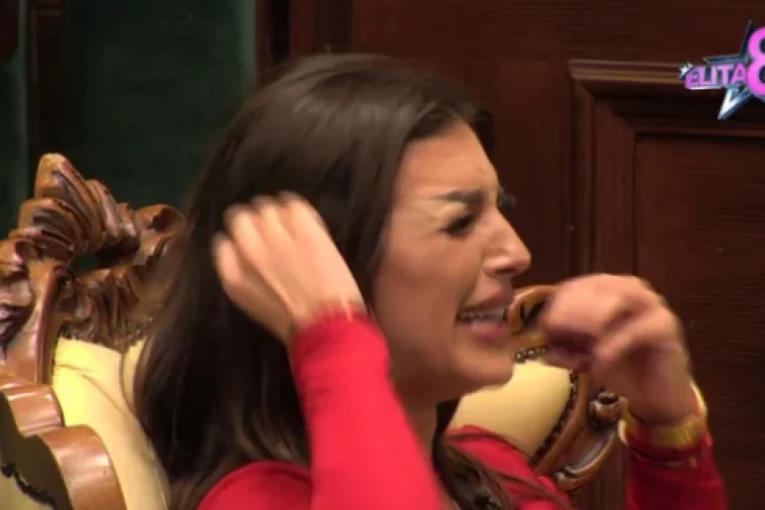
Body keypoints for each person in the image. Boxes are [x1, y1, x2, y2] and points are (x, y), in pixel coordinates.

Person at [134, 54, 728, 510]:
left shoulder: (495, 472)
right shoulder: (259, 499)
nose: (517, 253)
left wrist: (668, 431)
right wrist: (332, 334)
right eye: (459, 221)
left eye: (501, 209)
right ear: (318, 260)